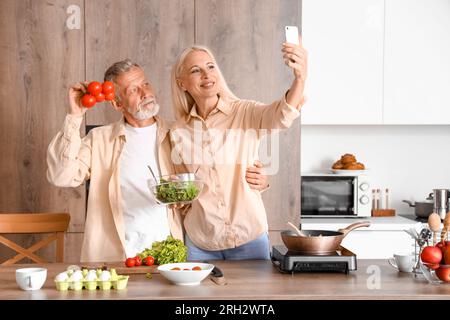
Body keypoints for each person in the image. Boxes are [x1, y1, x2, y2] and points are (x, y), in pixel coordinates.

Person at [46, 59, 269, 262]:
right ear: (117, 103)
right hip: (114, 260)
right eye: (133, 90)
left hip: (169, 258)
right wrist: (74, 116)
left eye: (146, 84)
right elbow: (61, 175)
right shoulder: (100, 140)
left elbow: (218, 172)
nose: (145, 93)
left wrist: (260, 179)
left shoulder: (179, 133)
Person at [170, 38, 307, 260]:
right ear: (182, 83)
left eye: (210, 66)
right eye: (196, 70)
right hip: (200, 243)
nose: (206, 75)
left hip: (249, 237)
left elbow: (282, 114)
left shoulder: (245, 112)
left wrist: (300, 78)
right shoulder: (177, 131)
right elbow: (183, 188)